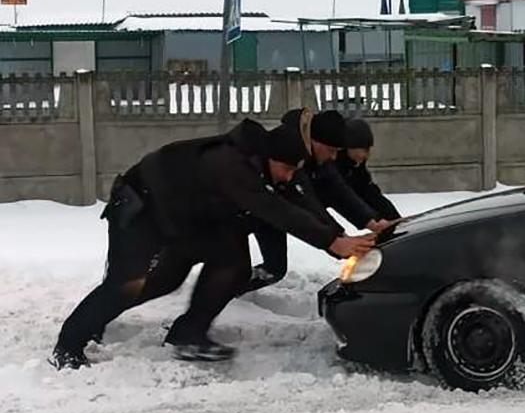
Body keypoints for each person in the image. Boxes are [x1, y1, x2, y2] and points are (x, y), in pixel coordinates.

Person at [51, 120, 377, 369]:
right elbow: (274, 209)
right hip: (142, 208)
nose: (289, 177)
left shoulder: (266, 164)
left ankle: (188, 335)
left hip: (186, 217)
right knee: (130, 283)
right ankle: (68, 346)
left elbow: (298, 202)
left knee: (231, 265)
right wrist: (333, 242)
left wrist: (342, 237)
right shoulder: (230, 165)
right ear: (271, 158)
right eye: (288, 169)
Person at [243, 109, 396, 296]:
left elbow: (342, 194)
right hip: (243, 211)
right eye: (332, 151)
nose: (333, 157)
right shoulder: (294, 156)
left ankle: (230, 290)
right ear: (315, 141)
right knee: (225, 267)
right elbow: (307, 204)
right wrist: (336, 240)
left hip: (273, 212)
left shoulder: (322, 162)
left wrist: (372, 222)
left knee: (274, 269)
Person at [335, 118, 401, 221]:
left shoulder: (355, 165)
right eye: (365, 149)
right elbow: (345, 199)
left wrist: (394, 220)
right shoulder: (332, 166)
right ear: (349, 146)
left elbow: (369, 192)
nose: (368, 155)